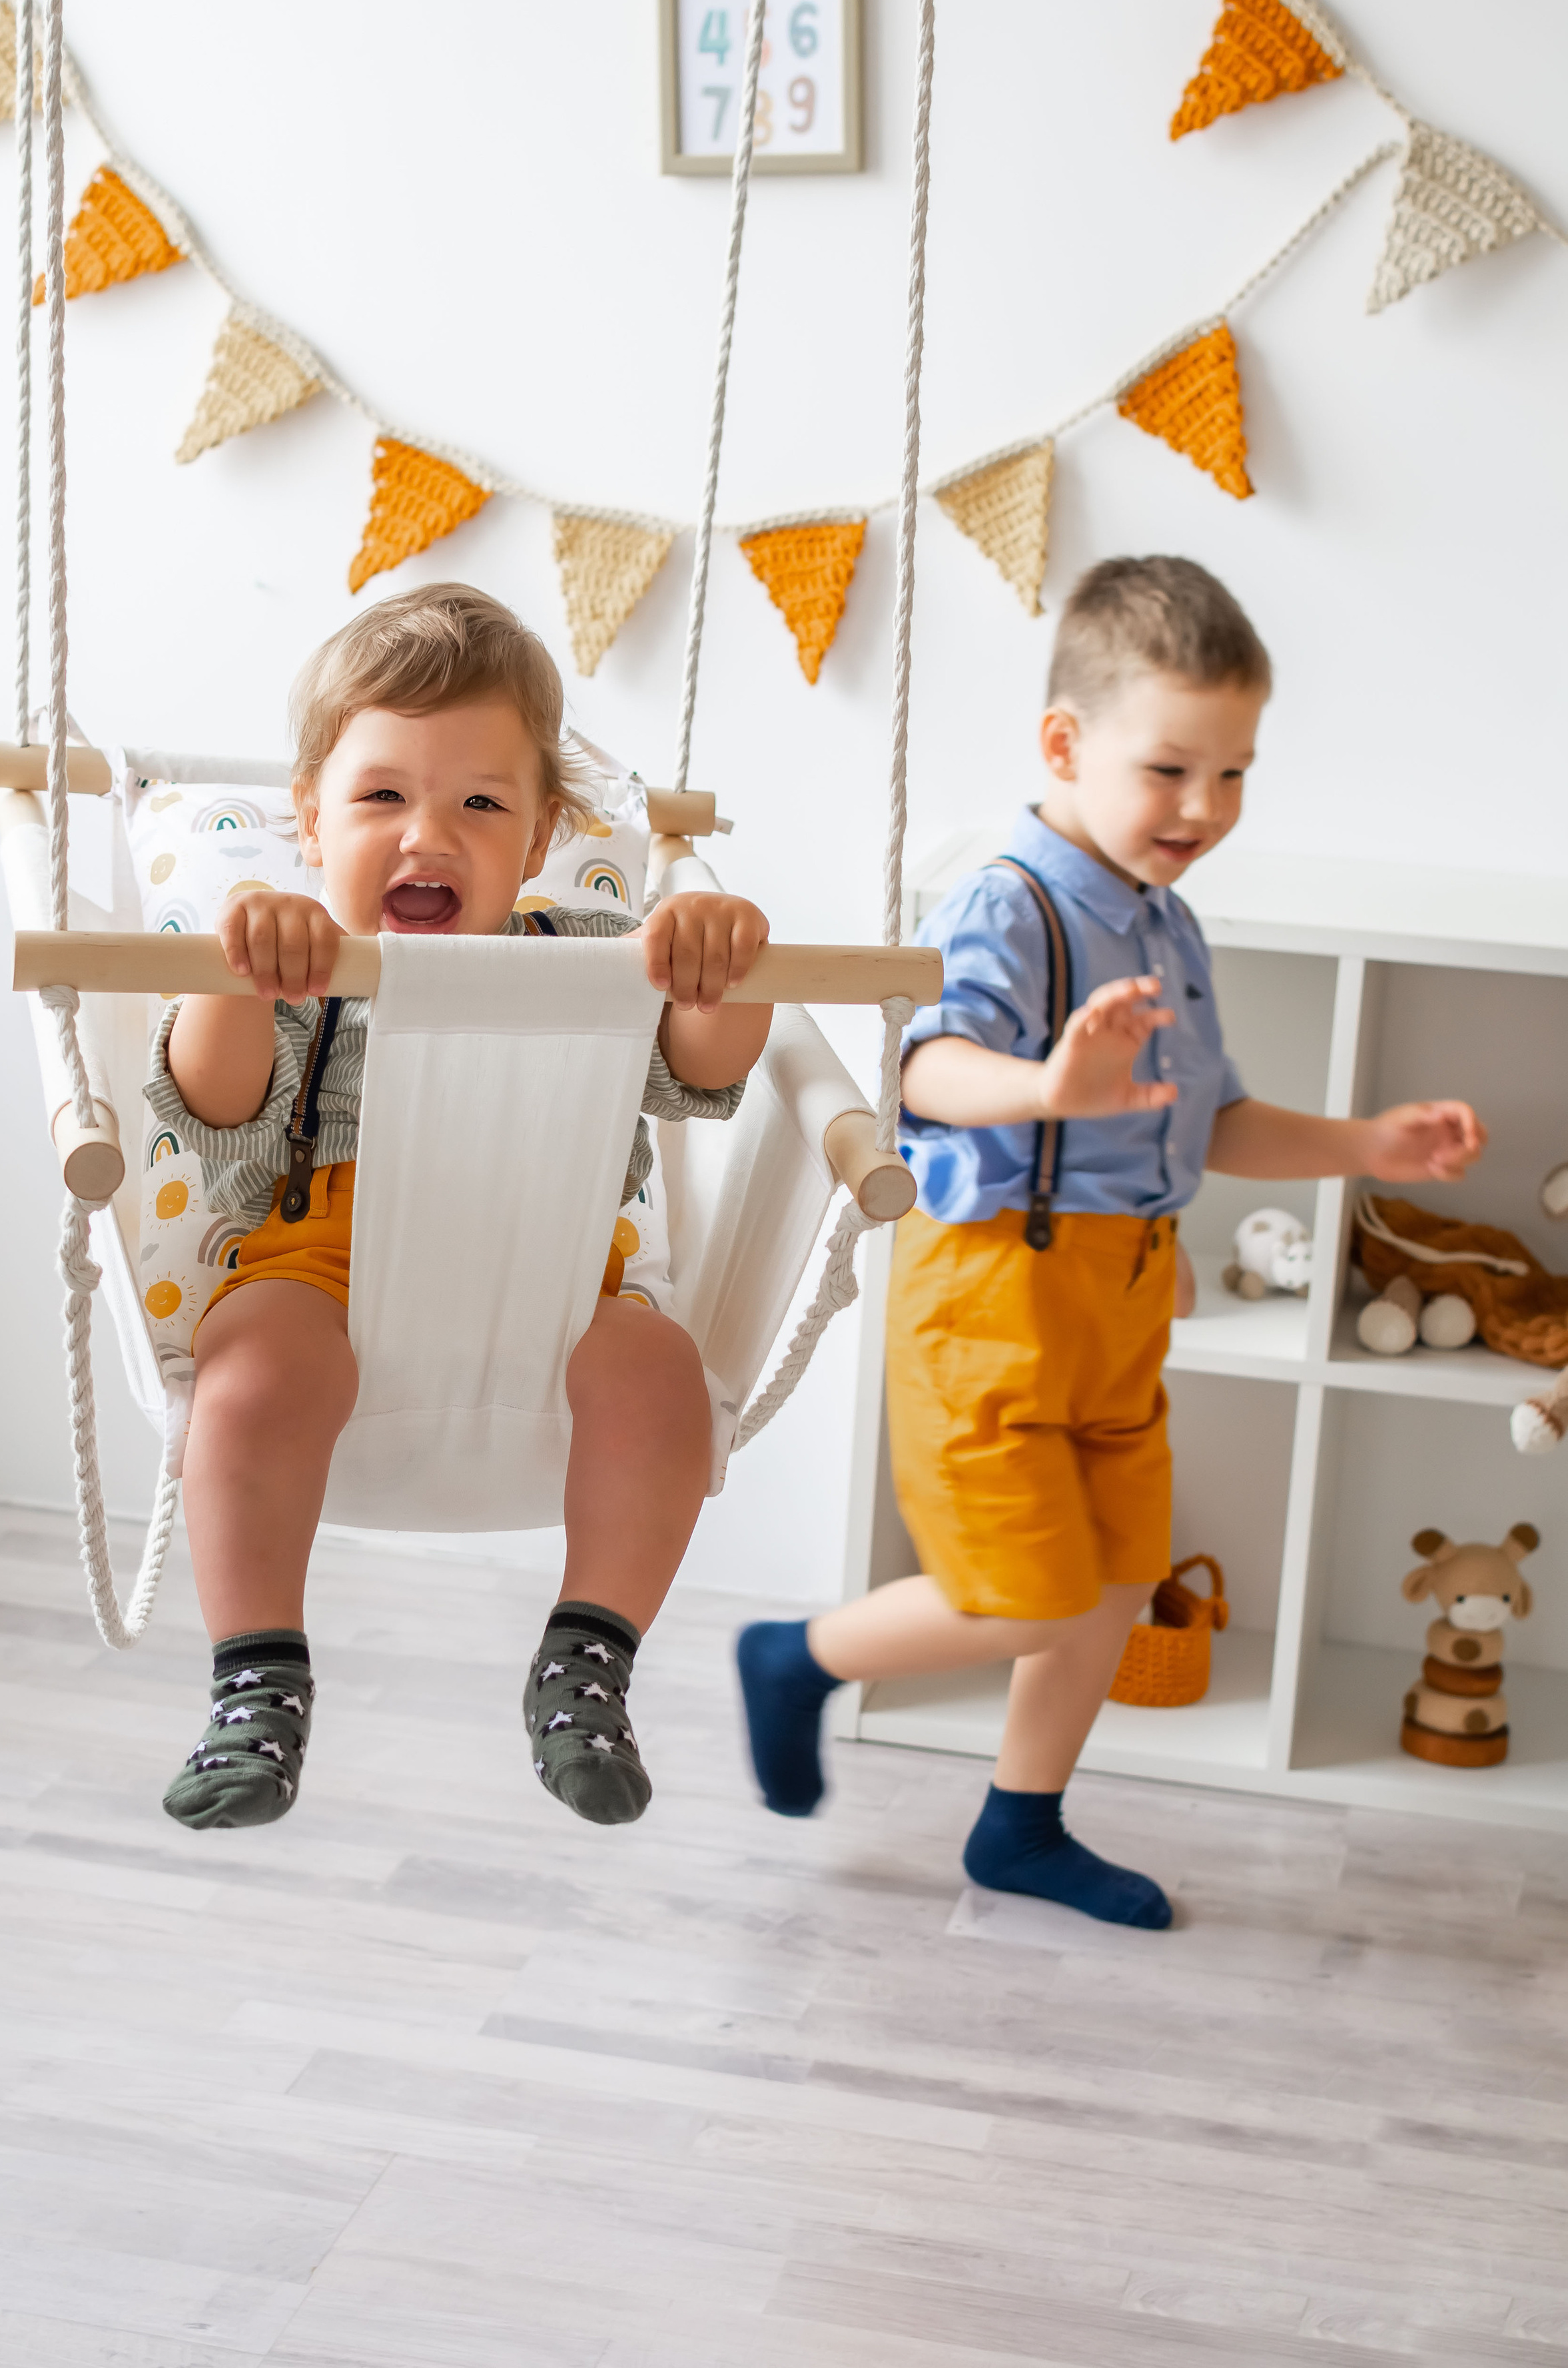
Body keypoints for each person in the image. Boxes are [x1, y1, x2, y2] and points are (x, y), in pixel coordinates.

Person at [735, 554, 1485, 1929]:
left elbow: (1217, 1122)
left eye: (1233, 773)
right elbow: (926, 1067)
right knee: (1023, 1596)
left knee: (1117, 1578)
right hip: (993, 1303)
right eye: (1170, 770)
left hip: (1122, 1303)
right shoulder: (1005, 901)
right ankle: (799, 1656)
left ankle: (1021, 1827)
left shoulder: (1166, 920)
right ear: (1064, 745)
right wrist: (1041, 1090)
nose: (1204, 809)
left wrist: (1367, 1147)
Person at [149, 583, 771, 1834]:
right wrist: (234, 966)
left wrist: (717, 956)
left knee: (660, 1371)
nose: (428, 833)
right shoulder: (295, 956)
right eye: (382, 797)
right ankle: (255, 1679)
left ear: (539, 839)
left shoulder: (593, 948)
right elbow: (213, 1107)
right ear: (311, 822)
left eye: (480, 803)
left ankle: (588, 1664)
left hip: (551, 1283)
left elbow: (705, 1066)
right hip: (322, 1262)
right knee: (252, 1373)